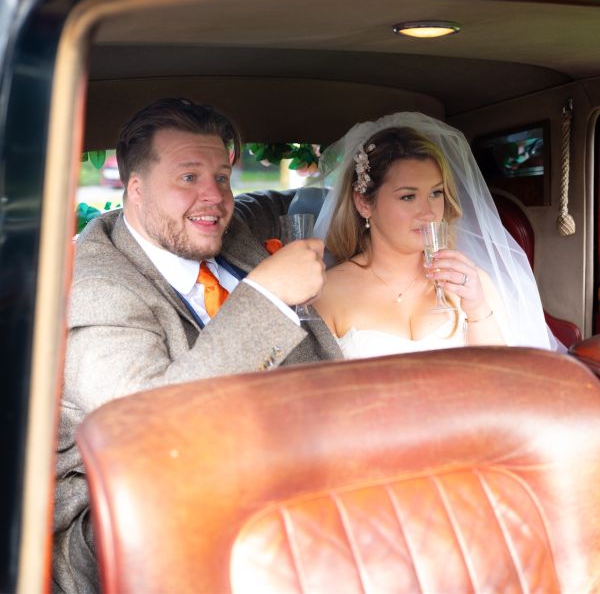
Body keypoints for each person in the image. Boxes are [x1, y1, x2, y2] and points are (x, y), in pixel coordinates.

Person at [53, 98, 342, 593]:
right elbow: (149, 428)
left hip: (281, 465)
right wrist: (268, 298)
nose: (215, 197)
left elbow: (279, 201)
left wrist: (376, 180)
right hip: (130, 510)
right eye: (188, 178)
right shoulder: (96, 287)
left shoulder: (227, 229)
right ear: (135, 189)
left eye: (223, 177)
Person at [312, 112, 564, 358]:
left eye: (436, 193)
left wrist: (477, 309)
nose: (429, 212)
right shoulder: (326, 291)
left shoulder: (472, 282)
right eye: (408, 197)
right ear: (364, 203)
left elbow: (502, 380)